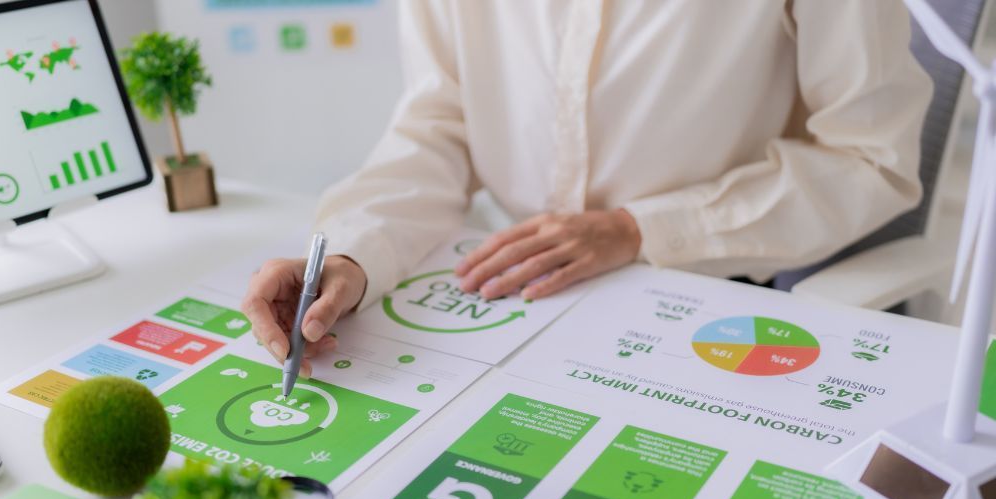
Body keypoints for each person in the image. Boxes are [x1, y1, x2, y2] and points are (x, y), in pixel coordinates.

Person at [242, 1, 931, 376]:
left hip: (696, 290)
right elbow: (441, 121)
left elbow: (874, 158)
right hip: (504, 289)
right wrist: (354, 255)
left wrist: (640, 228)